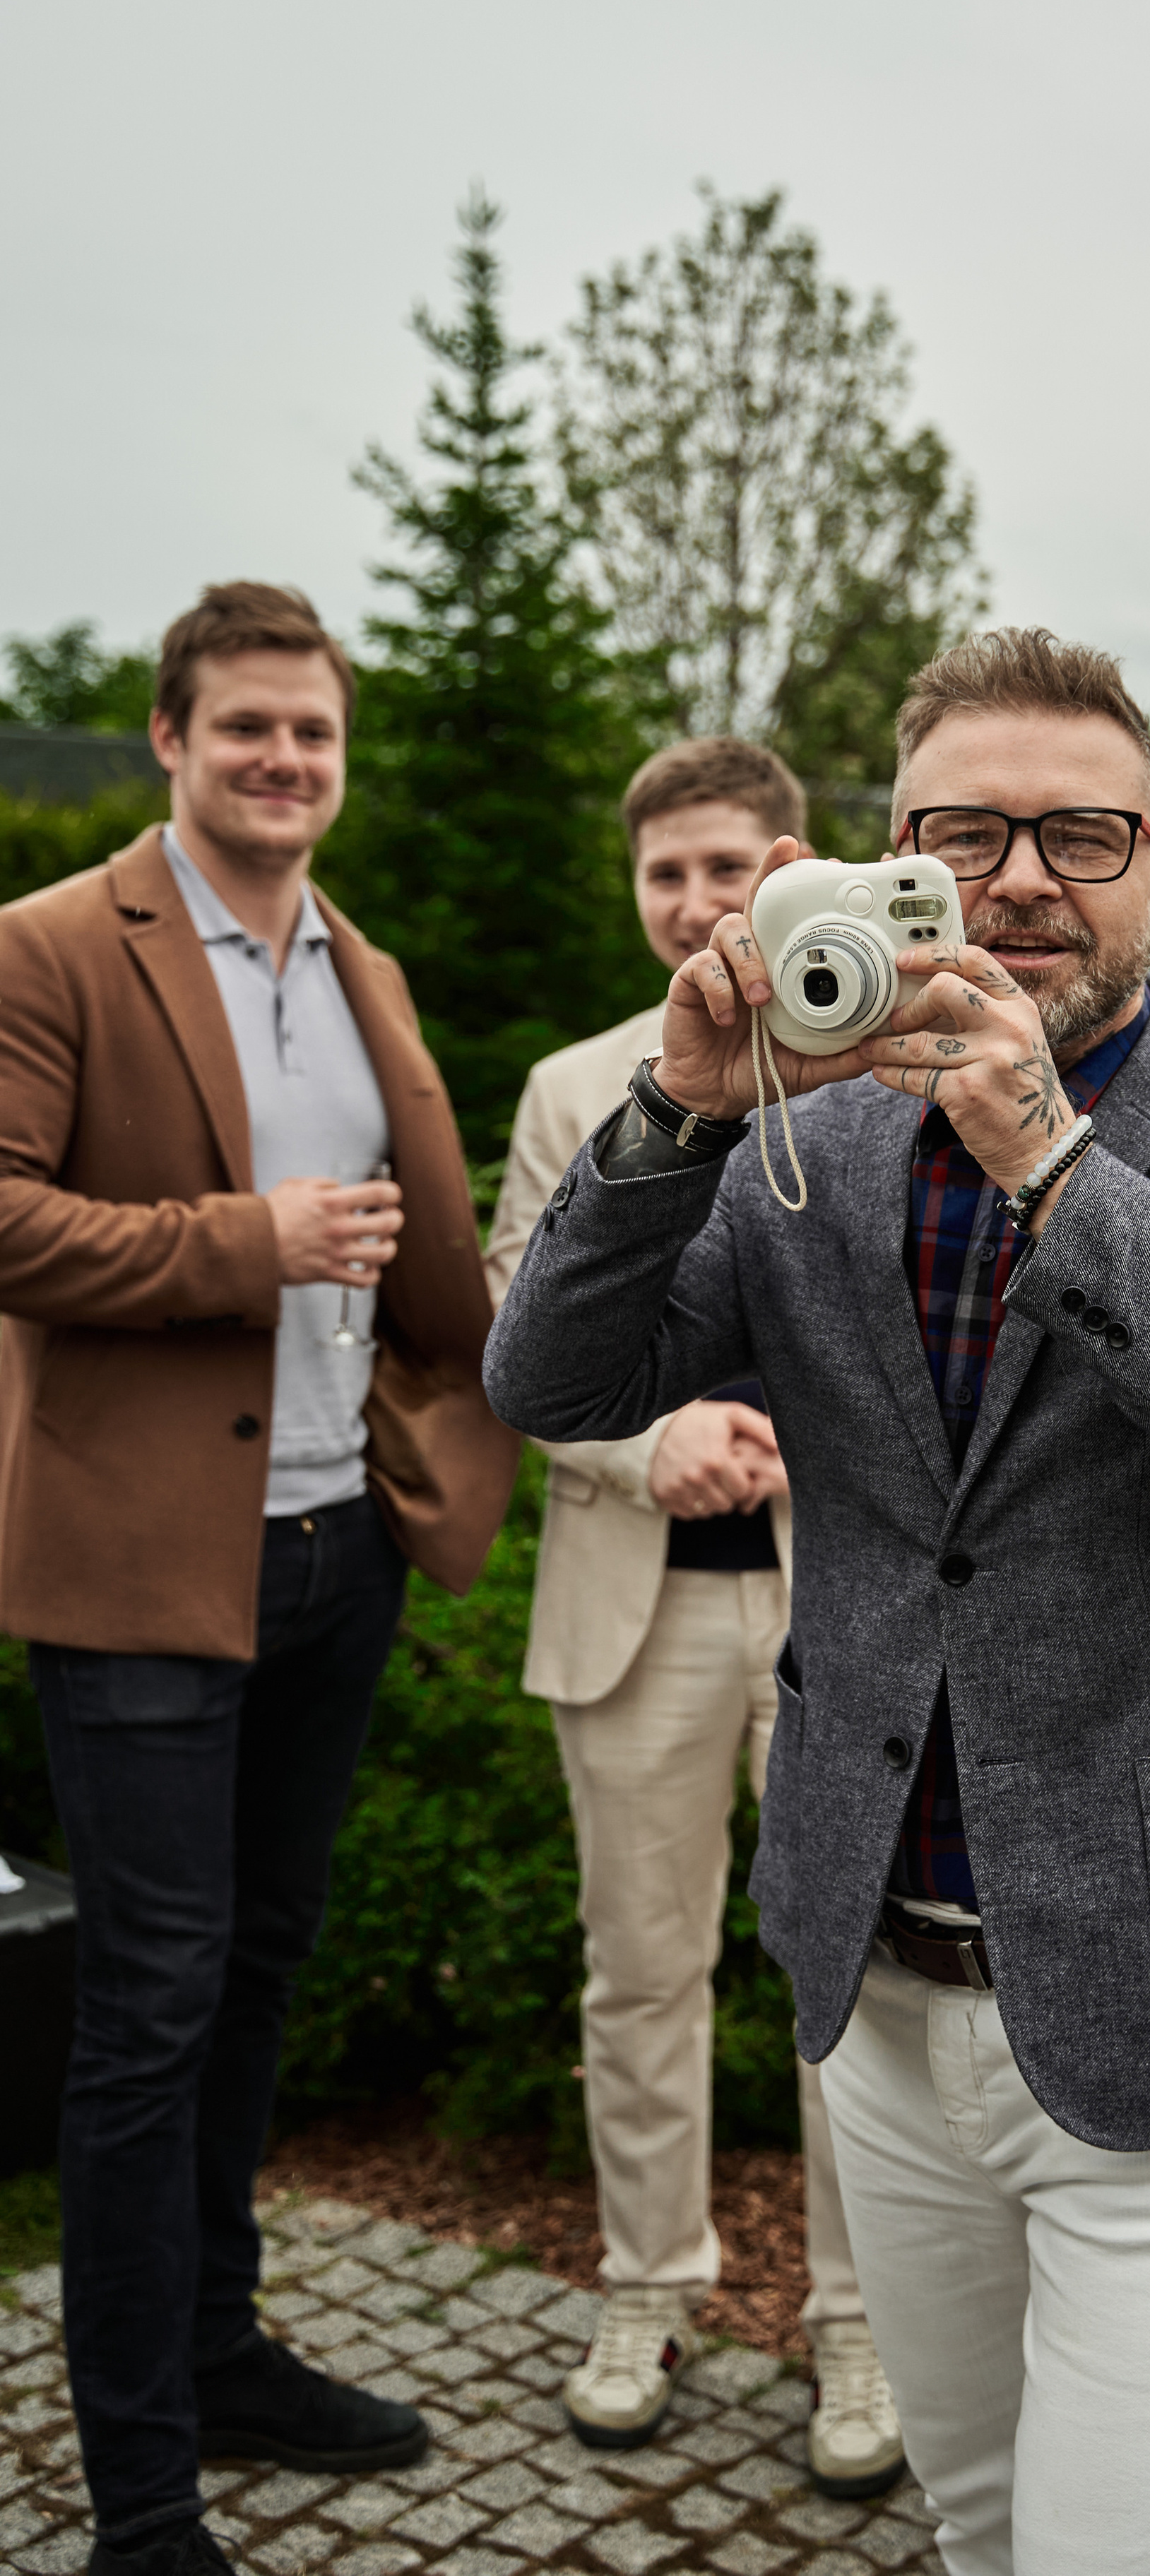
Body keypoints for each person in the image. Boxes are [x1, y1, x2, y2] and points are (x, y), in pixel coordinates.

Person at [484, 627, 1150, 2576]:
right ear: (878, 858)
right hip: (888, 2006)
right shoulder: (794, 1141)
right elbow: (554, 1387)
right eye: (962, 833)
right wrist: (675, 1111)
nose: (1017, 881)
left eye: (1082, 836)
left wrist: (1047, 1155)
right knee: (983, 2523)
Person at [0, 583, 518, 2576]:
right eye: (246, 731)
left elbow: (426, 1248)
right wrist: (246, 1240)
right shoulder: (56, 949)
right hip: (141, 1572)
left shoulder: (356, 960)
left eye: (313, 734)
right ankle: (140, 2491)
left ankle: (219, 2351)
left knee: (256, 1983)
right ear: (168, 738)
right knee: (147, 2010)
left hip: (333, 1552)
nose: (284, 763)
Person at [484, 736, 903, 2495]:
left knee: (852, 1987)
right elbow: (523, 1323)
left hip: (843, 1618)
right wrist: (648, 1444)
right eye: (665, 872)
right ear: (633, 884)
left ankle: (863, 2329)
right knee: (637, 1978)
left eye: (726, 866)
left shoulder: (884, 1068)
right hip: (637, 1617)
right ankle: (642, 2295)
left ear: (790, 865)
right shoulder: (574, 1083)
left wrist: (807, 1430)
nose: (695, 901)